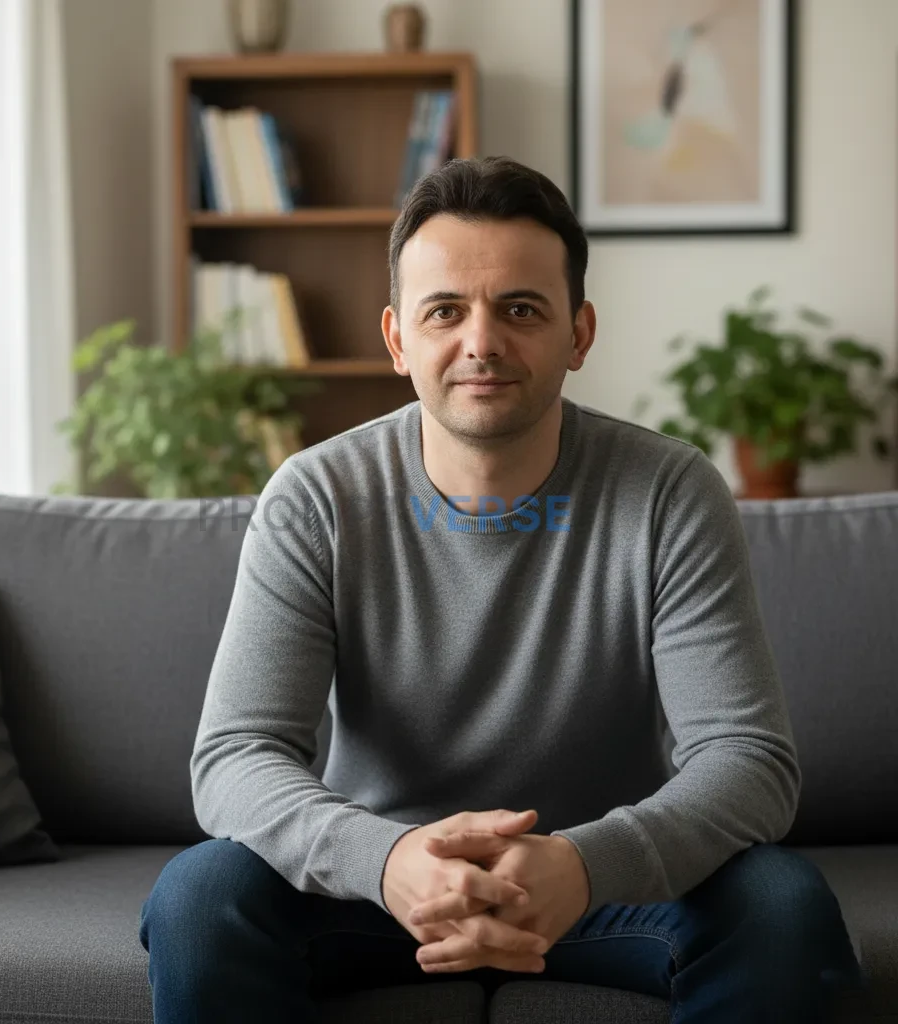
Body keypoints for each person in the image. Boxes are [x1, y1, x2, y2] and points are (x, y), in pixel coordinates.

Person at [138, 156, 861, 1022]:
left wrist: (585, 865)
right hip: (374, 887)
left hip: (601, 886)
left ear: (579, 333)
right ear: (399, 339)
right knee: (198, 895)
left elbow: (750, 764)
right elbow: (234, 758)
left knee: (780, 903)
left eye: (521, 309)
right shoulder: (316, 496)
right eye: (445, 310)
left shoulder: (670, 492)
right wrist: (388, 856)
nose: (482, 342)